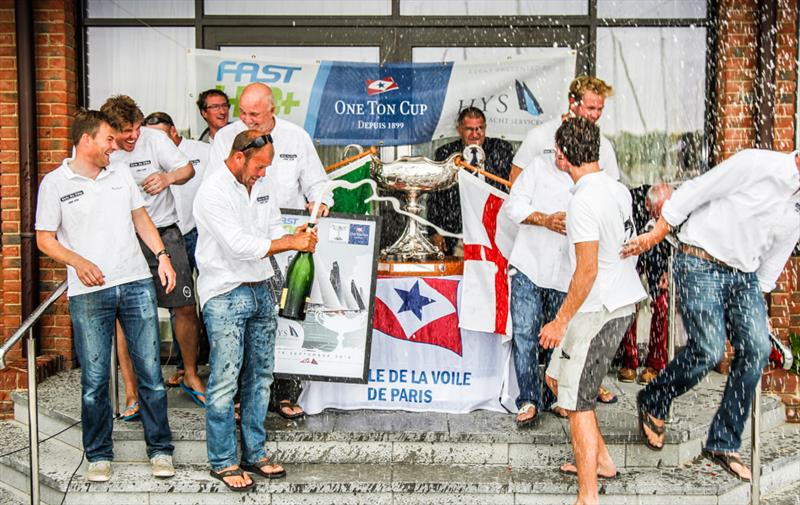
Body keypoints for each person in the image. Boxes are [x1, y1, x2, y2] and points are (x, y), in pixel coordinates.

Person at [622, 148, 800, 482]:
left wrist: (756, 311)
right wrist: (659, 231)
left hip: (745, 278)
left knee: (758, 348)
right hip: (700, 260)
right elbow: (698, 190)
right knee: (708, 350)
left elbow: (779, 252)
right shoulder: (756, 163)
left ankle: (723, 440)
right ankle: (654, 398)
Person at [35, 109, 176, 482]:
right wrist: (77, 260)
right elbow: (45, 238)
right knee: (95, 380)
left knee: (151, 373)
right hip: (89, 292)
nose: (115, 146)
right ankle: (98, 455)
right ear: (86, 141)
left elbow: (141, 218)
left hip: (134, 282)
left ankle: (160, 449)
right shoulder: (55, 183)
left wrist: (162, 256)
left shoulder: (120, 173)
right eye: (108, 140)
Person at [194, 130, 318, 491]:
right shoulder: (212, 192)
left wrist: (299, 239)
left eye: (267, 167)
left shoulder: (261, 185)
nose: (264, 174)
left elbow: (275, 227)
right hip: (225, 293)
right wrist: (290, 241)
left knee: (260, 378)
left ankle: (255, 452)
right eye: (260, 166)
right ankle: (223, 460)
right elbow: (237, 246)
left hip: (261, 288)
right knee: (225, 382)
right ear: (238, 158)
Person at [209, 82, 333, 419]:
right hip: (242, 244)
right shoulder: (226, 139)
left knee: (288, 317)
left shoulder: (296, 137)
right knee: (245, 322)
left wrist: (318, 203)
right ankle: (240, 397)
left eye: (255, 115)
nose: (247, 120)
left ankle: (284, 392)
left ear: (272, 110)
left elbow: (319, 184)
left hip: (287, 240)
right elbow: (215, 187)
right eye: (244, 113)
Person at [540, 117, 646, 505]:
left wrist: (559, 320)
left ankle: (588, 497)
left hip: (600, 309)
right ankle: (600, 460)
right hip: (610, 303)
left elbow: (587, 270)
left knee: (578, 402)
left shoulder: (584, 200)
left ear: (561, 157)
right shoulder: (616, 190)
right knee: (555, 378)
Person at [100, 96, 206, 413]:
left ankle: (190, 374)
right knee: (124, 316)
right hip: (123, 237)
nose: (132, 138)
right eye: (125, 133)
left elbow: (187, 169)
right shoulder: (102, 147)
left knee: (185, 305)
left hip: (165, 230)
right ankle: (132, 392)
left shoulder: (155, 138)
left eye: (135, 130)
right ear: (109, 130)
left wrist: (168, 177)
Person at [143, 111, 211, 386]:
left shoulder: (201, 151)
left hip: (196, 232)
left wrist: (169, 177)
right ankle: (184, 367)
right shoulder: (144, 152)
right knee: (174, 304)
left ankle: (206, 364)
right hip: (165, 233)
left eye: (161, 135)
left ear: (173, 131)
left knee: (203, 299)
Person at [427, 106, 513, 255]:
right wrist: (435, 231)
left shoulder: (501, 149)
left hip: (494, 228)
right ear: (459, 129)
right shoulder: (446, 153)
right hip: (457, 231)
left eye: (479, 128)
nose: (475, 134)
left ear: (485, 128)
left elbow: (512, 188)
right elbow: (435, 197)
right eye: (469, 129)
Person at [510, 75, 620, 185]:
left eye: (600, 109)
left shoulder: (604, 145)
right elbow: (516, 177)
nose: (596, 115)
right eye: (590, 108)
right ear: (572, 102)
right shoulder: (539, 135)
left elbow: (612, 188)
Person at [617, 183, 673, 384]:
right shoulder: (630, 203)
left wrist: (668, 270)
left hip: (660, 255)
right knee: (628, 302)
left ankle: (655, 364)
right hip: (631, 251)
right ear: (648, 205)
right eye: (659, 212)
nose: (663, 217)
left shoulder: (674, 208)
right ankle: (629, 360)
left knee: (663, 304)